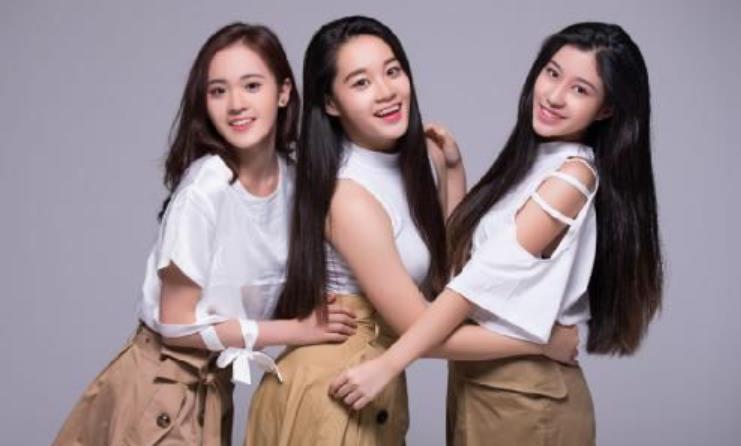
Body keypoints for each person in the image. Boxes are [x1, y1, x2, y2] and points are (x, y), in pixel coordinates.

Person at [246, 16, 578, 446]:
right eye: (361, 82)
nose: (386, 91)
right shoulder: (347, 195)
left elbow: (457, 279)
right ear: (331, 102)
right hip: (332, 390)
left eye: (392, 71)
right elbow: (422, 330)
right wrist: (538, 342)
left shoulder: (423, 159)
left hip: (373, 383)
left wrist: (452, 171)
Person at [331, 22, 664, 446]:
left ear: (605, 109)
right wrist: (453, 171)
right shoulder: (534, 162)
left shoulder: (572, 178)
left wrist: (388, 365)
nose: (554, 96)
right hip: (484, 387)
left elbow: (471, 289)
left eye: (580, 90)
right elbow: (460, 270)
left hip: (528, 399)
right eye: (552, 73)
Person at [53, 22, 356, 446]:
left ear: (283, 92)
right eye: (218, 91)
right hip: (162, 387)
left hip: (212, 389)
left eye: (252, 85)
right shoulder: (204, 189)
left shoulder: (293, 184)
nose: (236, 104)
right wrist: (295, 330)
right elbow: (176, 325)